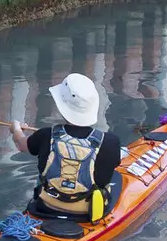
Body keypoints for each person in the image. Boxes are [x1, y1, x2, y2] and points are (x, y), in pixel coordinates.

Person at [10, 73, 124, 221]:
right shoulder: (111, 142)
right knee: (116, 180)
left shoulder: (46, 135)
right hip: (87, 213)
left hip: (46, 207)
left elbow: (21, 144)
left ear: (60, 106)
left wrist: (16, 128)